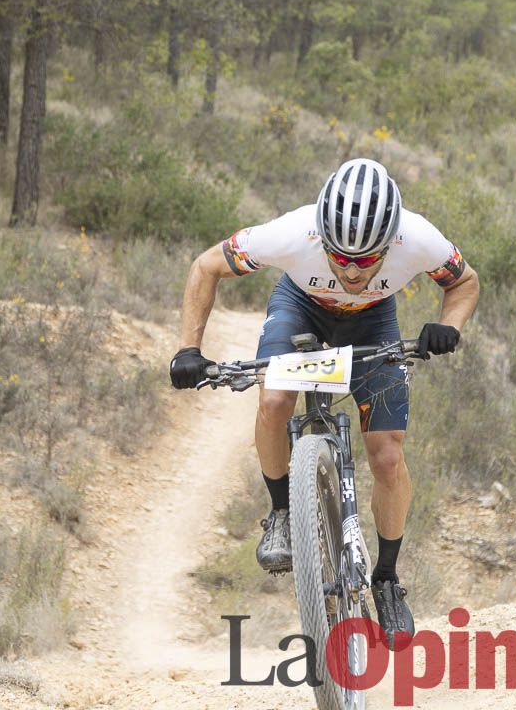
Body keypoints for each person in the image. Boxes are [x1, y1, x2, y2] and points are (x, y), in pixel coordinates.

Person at [169, 158, 480, 647]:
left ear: (392, 243)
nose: (352, 270)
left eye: (366, 260)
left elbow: (464, 281)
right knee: (273, 403)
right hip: (300, 309)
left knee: (387, 453)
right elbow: (206, 265)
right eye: (340, 257)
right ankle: (281, 514)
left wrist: (450, 326)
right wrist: (188, 348)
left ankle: (386, 579)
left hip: (375, 323)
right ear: (321, 237)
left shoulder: (419, 239)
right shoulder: (292, 232)